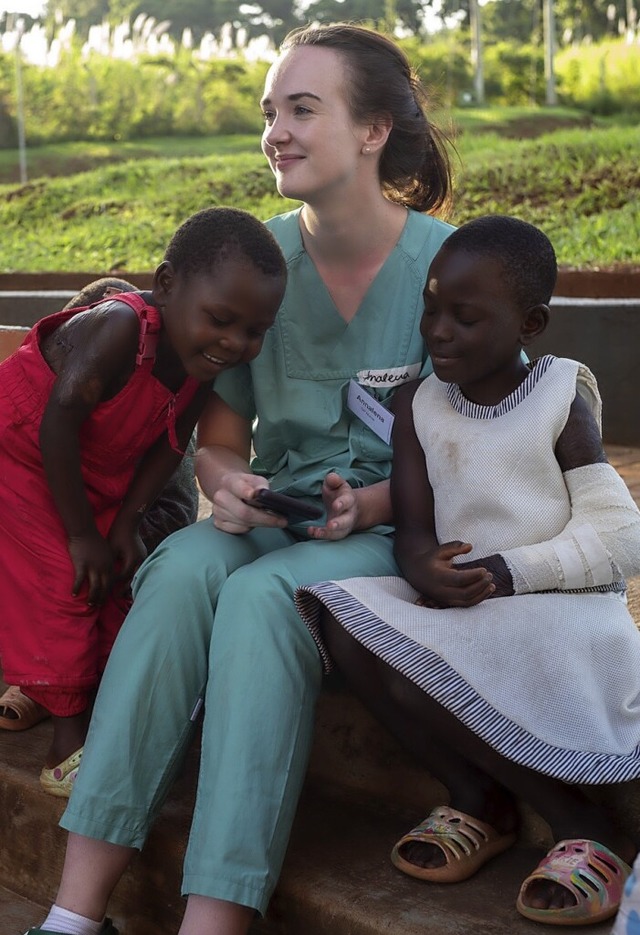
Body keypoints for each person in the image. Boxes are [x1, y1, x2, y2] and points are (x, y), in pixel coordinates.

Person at [24, 22, 456, 935]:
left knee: (262, 600)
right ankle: (74, 913)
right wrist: (227, 486)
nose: (277, 131)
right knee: (182, 565)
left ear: (374, 129)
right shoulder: (255, 263)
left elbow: (466, 456)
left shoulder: (442, 270)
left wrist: (363, 503)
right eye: (270, 112)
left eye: (304, 108)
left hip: (392, 521)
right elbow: (220, 439)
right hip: (276, 510)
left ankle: (214, 920)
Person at [295, 215, 640, 927]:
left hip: (556, 605)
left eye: (466, 316)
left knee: (491, 646)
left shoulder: (559, 398)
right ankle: (476, 798)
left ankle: (584, 821)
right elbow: (416, 529)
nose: (438, 330)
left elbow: (618, 536)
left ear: (531, 323)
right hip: (468, 604)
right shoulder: (419, 405)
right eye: (430, 309)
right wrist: (422, 564)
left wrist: (511, 573)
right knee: (341, 614)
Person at [0, 207, 286, 797]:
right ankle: (65, 746)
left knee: (116, 578)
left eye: (254, 332)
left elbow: (169, 444)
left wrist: (126, 523)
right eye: (221, 320)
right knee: (68, 580)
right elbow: (56, 423)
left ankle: (106, 710)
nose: (234, 343)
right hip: (23, 453)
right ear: (165, 285)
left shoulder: (202, 362)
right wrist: (81, 535)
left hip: (91, 468)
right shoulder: (121, 329)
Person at [0, 278, 201, 734]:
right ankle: (48, 684)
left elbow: (173, 509)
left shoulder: (172, 392)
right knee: (49, 571)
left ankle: (73, 687)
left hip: (130, 523)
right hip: (54, 493)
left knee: (96, 583)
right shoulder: (65, 396)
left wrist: (118, 532)